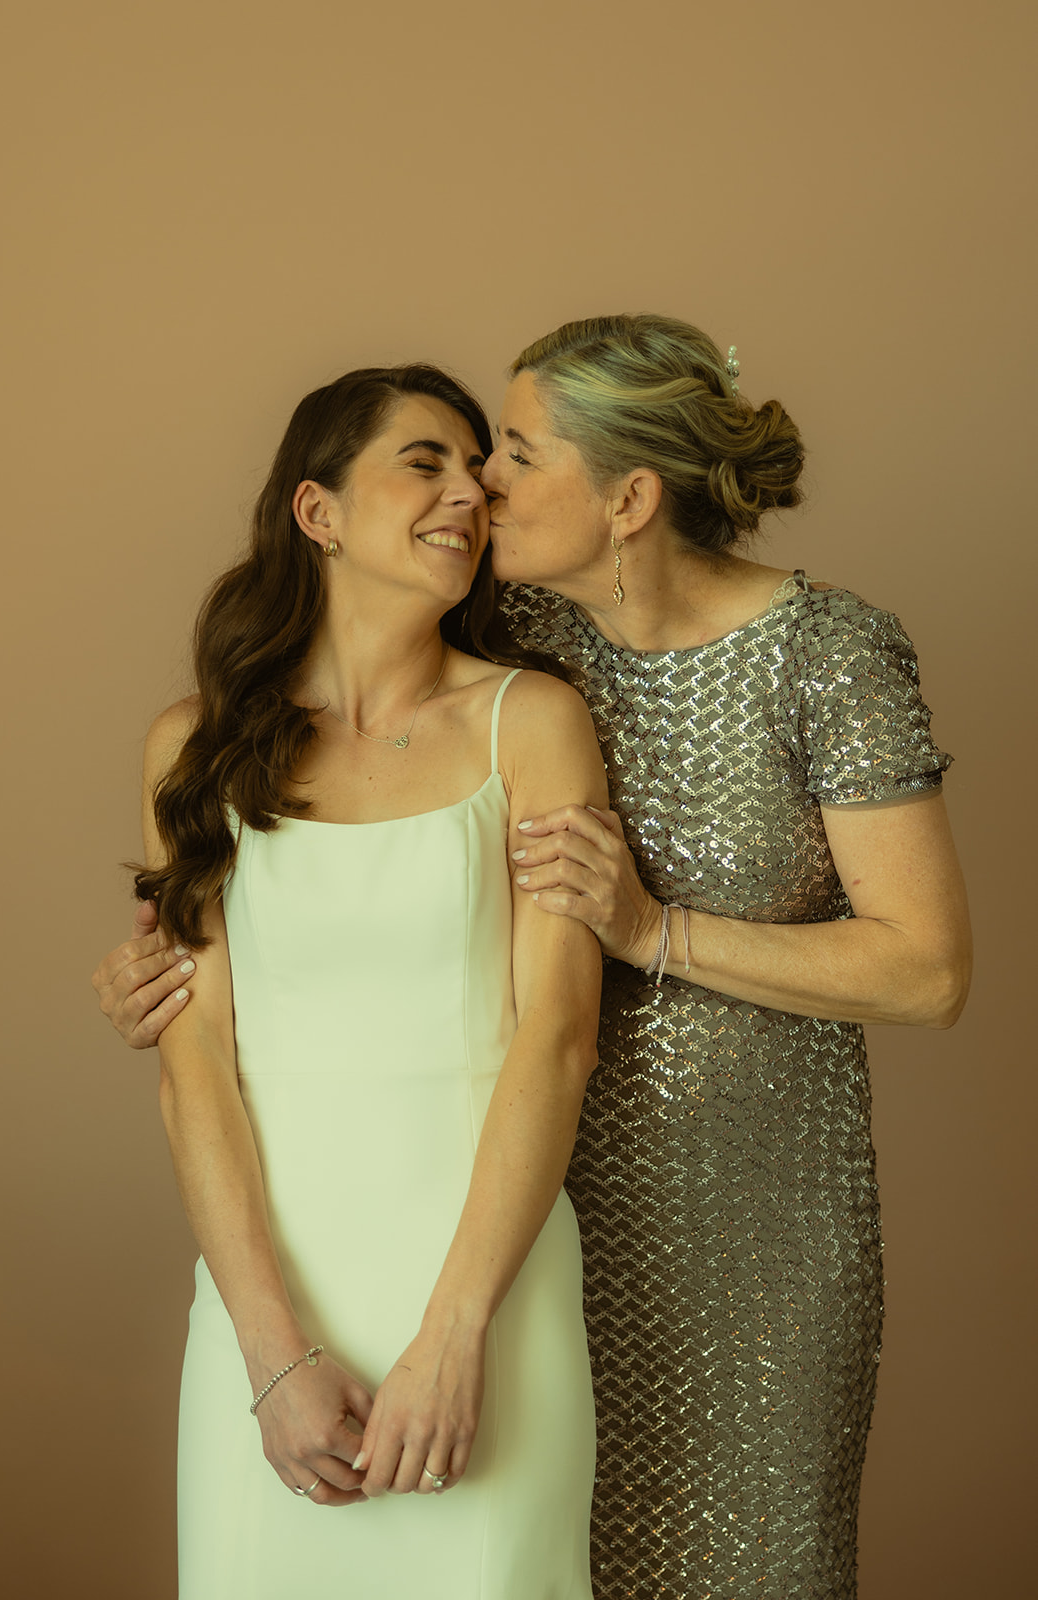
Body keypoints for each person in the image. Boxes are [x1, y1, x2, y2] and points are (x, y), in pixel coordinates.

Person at [94, 316, 971, 1600]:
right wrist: (157, 988)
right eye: (451, 458)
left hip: (738, 1211)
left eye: (508, 453)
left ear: (625, 497)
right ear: (317, 513)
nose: (479, 487)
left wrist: (653, 930)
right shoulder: (523, 660)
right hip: (526, 1204)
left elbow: (924, 971)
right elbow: (249, 1001)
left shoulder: (777, 661)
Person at [117, 362, 607, 1600]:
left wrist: (455, 1337)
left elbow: (555, 1041)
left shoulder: (531, 723)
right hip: (266, 1290)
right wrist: (271, 1356)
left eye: (476, 472)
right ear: (317, 511)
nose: (466, 494)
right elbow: (195, 1076)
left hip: (485, 1288)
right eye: (422, 461)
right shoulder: (195, 748)